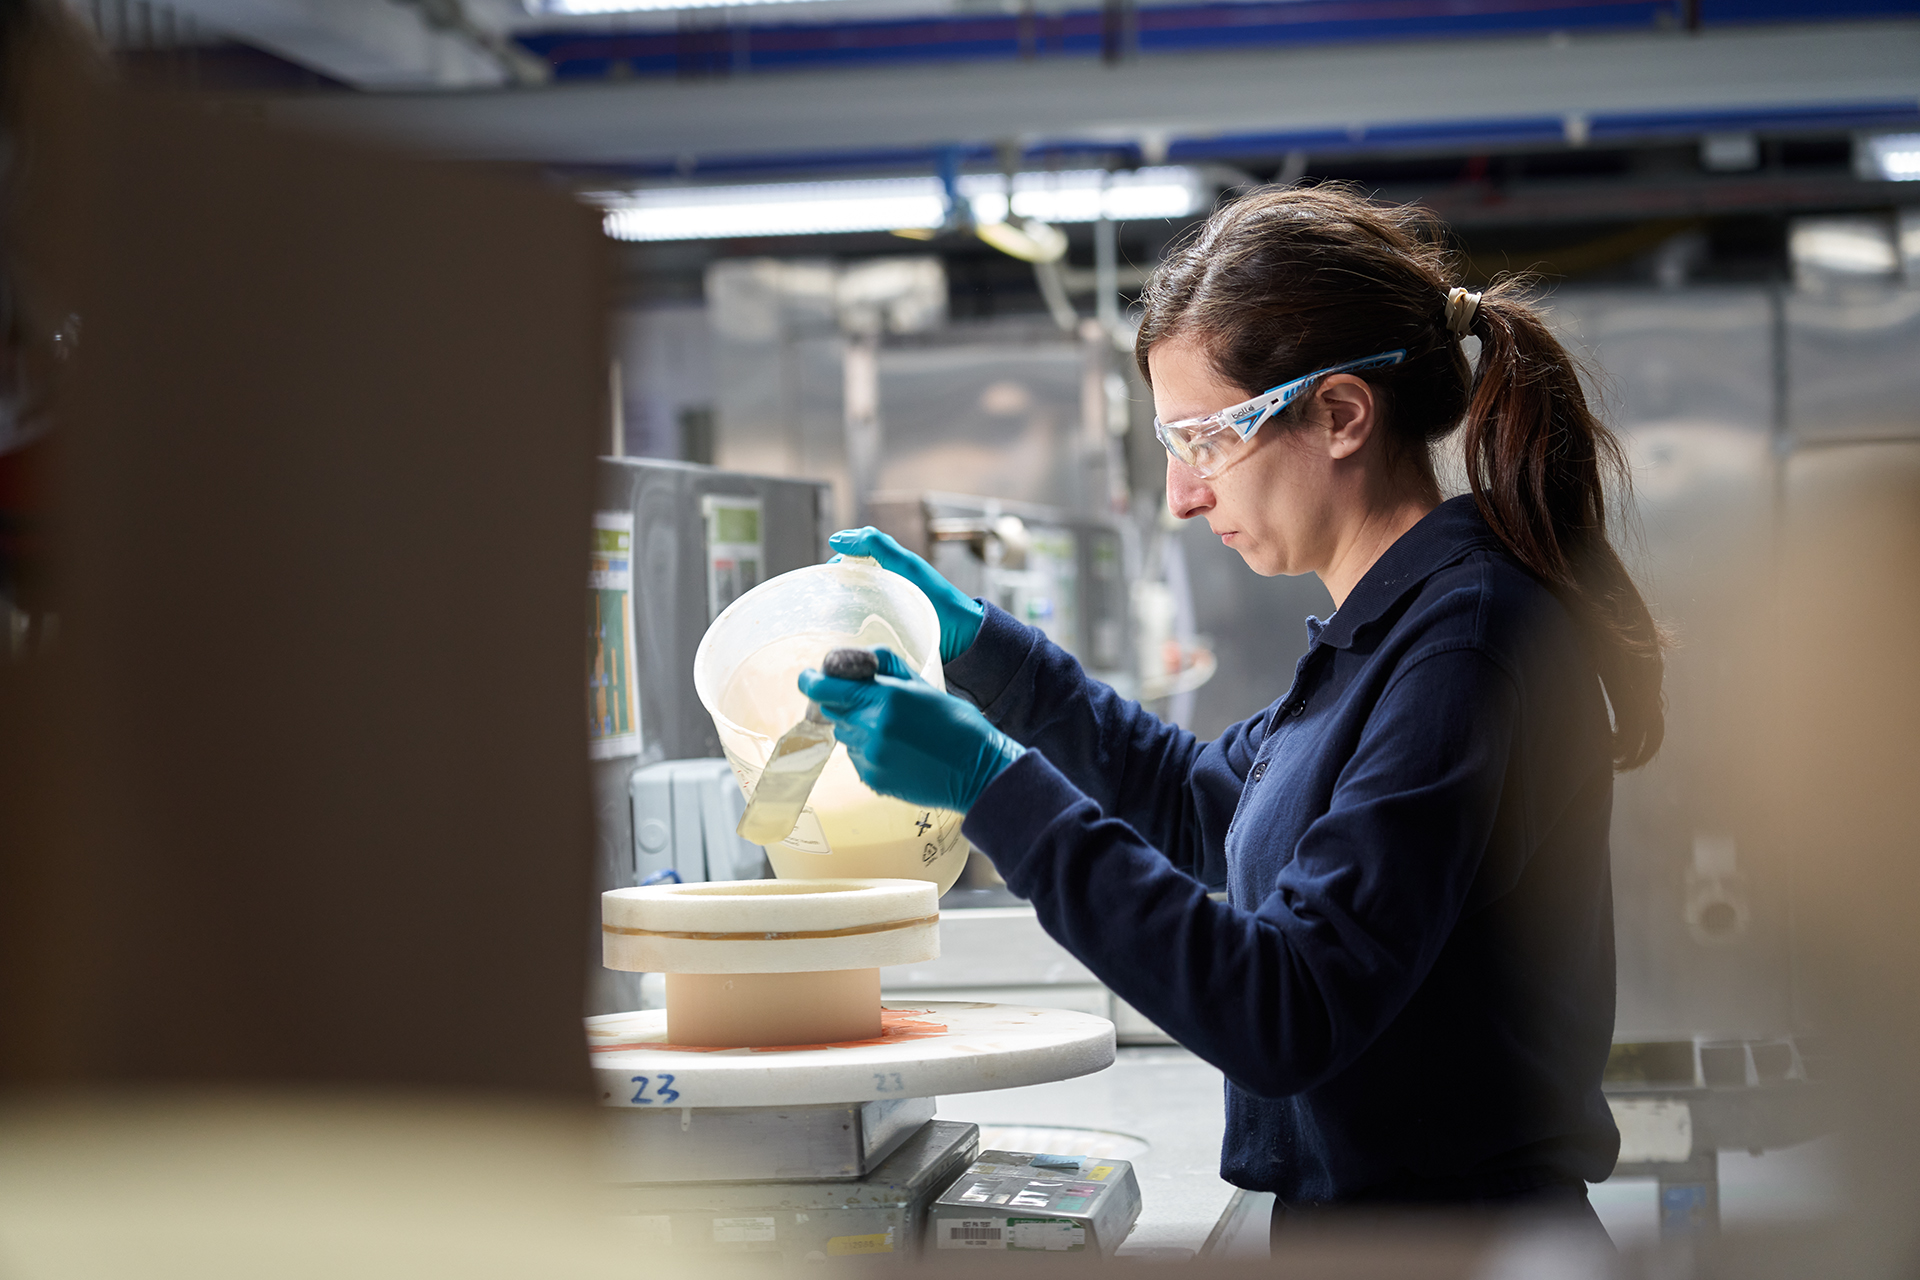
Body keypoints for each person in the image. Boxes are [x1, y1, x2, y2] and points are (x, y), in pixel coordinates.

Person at [800, 185, 1665, 1233]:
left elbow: (1288, 1007)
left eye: (1205, 438)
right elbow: (1201, 803)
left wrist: (994, 787)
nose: (1182, 492)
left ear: (1341, 413)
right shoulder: (1384, 631)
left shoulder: (1466, 645)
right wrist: (984, 649)